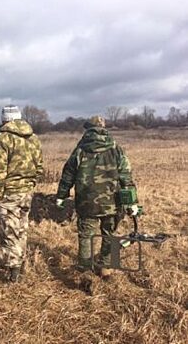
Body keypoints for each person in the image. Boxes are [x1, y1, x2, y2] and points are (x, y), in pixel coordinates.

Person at [56, 116, 137, 277]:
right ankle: (107, 269)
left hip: (86, 204)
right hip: (113, 204)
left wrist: (62, 195)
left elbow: (68, 174)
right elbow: (126, 178)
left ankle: (85, 272)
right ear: (104, 129)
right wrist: (132, 203)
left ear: (88, 129)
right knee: (111, 235)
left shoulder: (80, 149)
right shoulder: (116, 149)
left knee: (86, 236)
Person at [0, 105, 44, 282]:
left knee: (8, 232)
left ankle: (14, 273)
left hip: (10, 192)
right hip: (27, 192)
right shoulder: (33, 137)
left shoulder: (2, 138)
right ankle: (20, 265)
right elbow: (40, 166)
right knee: (22, 229)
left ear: (4, 119)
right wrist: (31, 184)